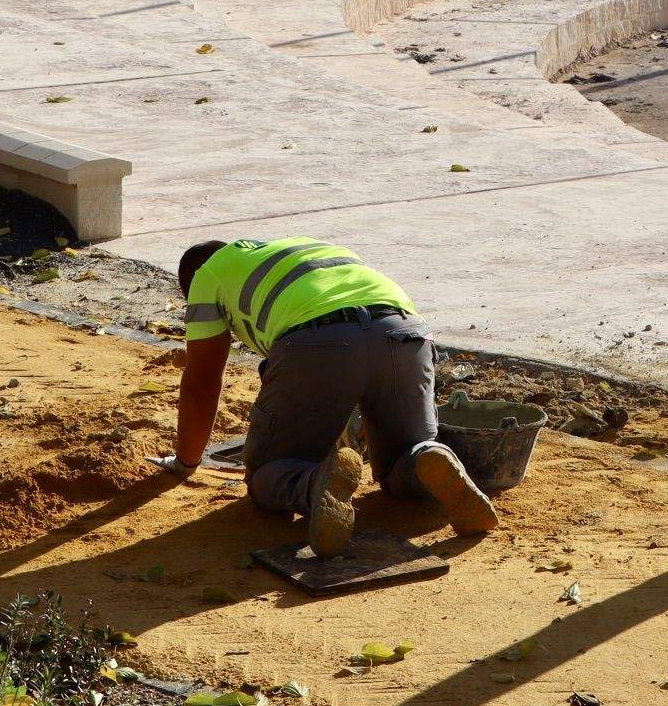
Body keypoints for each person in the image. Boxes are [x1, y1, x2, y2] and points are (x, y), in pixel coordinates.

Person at [167, 236, 498, 556]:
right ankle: (428, 455)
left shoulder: (205, 276)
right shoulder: (298, 250)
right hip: (404, 332)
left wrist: (185, 462)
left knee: (269, 474)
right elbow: (359, 342)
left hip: (319, 343)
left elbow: (202, 380)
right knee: (402, 458)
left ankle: (315, 486)